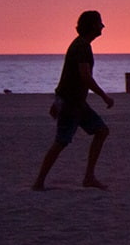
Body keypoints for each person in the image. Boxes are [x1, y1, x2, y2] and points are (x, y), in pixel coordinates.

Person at [32, 10, 113, 190]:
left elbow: (69, 76)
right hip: (70, 103)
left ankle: (89, 177)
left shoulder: (82, 45)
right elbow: (85, 76)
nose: (103, 26)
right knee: (61, 141)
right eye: (100, 22)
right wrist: (104, 96)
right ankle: (39, 182)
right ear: (92, 25)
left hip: (76, 102)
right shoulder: (81, 46)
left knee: (101, 131)